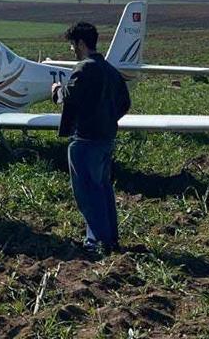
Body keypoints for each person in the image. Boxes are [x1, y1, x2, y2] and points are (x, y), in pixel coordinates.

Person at [52, 21, 130, 255]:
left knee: (87, 192)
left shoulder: (84, 68)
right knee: (103, 189)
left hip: (85, 140)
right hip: (106, 139)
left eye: (73, 45)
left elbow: (70, 96)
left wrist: (57, 89)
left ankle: (95, 243)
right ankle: (110, 239)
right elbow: (125, 103)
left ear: (81, 43)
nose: (72, 50)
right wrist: (107, 119)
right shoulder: (110, 70)